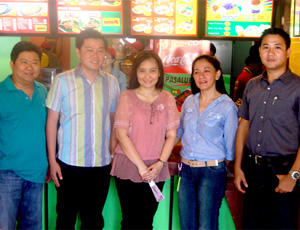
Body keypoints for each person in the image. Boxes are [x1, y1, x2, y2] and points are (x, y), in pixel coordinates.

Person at [46, 29, 120, 229]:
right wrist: (52, 161)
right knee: (65, 219)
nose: (95, 56)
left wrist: (113, 154)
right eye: (89, 50)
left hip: (100, 164)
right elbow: (51, 122)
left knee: (94, 219)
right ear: (78, 51)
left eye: (100, 50)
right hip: (68, 164)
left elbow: (114, 121)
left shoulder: (112, 83)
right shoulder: (62, 81)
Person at [234, 27, 300, 229]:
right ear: (260, 51)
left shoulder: (297, 87)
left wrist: (294, 175)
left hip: (283, 171)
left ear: (288, 52)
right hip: (253, 171)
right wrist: (238, 167)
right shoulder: (252, 85)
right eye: (266, 47)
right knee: (251, 225)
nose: (270, 53)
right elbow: (244, 125)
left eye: (277, 47)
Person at [110, 50, 180, 229]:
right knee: (130, 221)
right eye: (142, 70)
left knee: (147, 221)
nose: (147, 76)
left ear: (159, 73)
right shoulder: (127, 97)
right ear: (135, 73)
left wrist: (160, 163)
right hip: (129, 166)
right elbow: (121, 133)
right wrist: (141, 167)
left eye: (152, 70)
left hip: (156, 168)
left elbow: (171, 135)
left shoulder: (168, 98)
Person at [175, 54, 238, 230]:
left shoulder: (227, 106)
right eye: (196, 72)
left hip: (211, 171)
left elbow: (230, 147)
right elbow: (180, 131)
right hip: (186, 170)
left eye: (206, 71)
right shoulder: (189, 101)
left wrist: (217, 167)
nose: (201, 76)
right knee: (187, 224)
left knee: (206, 225)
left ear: (217, 74)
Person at [0, 41, 48, 230]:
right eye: (24, 62)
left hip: (37, 173)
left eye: (35, 62)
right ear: (12, 64)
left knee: (32, 226)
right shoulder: (1, 92)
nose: (30, 67)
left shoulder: (42, 90)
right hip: (6, 173)